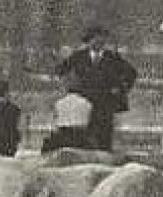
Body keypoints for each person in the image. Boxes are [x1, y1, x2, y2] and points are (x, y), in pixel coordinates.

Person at [54, 25, 138, 153]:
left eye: (102, 39)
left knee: (104, 134)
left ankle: (104, 159)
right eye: (95, 39)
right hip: (84, 101)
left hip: (105, 102)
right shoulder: (79, 56)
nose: (99, 42)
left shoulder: (112, 58)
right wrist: (69, 87)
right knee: (85, 133)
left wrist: (121, 89)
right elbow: (61, 71)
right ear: (88, 40)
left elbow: (131, 74)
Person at [42, 86, 94, 154]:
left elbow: (55, 120)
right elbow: (87, 122)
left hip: (62, 134)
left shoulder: (58, 103)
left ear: (67, 92)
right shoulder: (87, 103)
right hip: (80, 135)